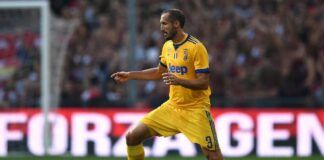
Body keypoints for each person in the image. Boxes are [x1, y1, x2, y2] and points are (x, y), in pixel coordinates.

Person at [111, 9, 223, 160]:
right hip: (173, 107)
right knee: (132, 137)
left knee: (213, 156)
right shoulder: (168, 46)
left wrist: (179, 81)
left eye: (164, 23)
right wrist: (130, 75)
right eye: (161, 24)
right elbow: (159, 72)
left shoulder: (196, 47)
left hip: (195, 110)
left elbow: (203, 82)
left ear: (176, 24)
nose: (161, 27)